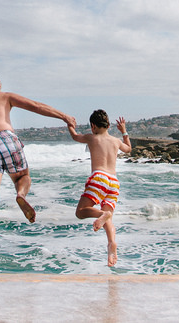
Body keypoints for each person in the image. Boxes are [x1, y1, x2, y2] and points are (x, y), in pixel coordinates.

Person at [0, 48, 76, 272]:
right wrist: (64, 116)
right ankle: (20, 194)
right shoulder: (4, 96)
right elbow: (37, 106)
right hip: (6, 138)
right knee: (23, 176)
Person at [66, 109, 131, 267]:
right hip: (114, 182)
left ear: (93, 126)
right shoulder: (116, 141)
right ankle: (111, 244)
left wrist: (69, 124)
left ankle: (103, 214)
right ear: (109, 125)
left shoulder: (91, 138)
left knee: (80, 212)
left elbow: (75, 136)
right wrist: (124, 132)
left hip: (99, 178)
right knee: (108, 218)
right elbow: (128, 149)